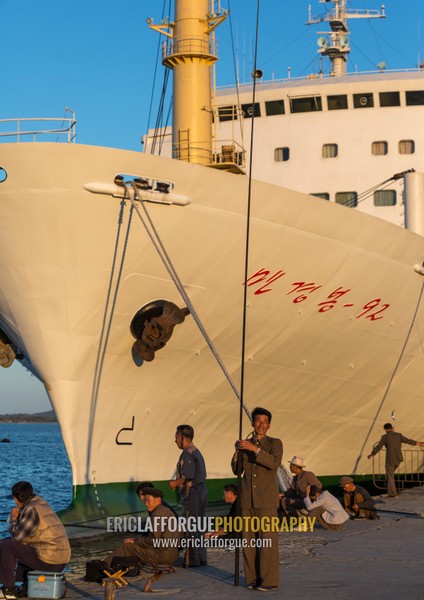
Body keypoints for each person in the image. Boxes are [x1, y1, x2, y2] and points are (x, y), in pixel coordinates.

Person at [231, 407, 283, 592]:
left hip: (266, 502)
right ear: (252, 422)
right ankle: (252, 578)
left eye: (264, 421)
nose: (261, 424)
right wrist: (237, 453)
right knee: (249, 542)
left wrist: (254, 448)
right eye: (257, 421)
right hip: (247, 501)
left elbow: (274, 463)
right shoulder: (244, 444)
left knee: (267, 542)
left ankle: (269, 580)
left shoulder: (275, 443)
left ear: (269, 425)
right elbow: (237, 471)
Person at [0, 481, 71, 600]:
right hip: (61, 560)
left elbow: (17, 537)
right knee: (19, 546)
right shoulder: (41, 502)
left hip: (49, 560)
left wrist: (13, 519)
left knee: (6, 545)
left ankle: (8, 589)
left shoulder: (31, 509)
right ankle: (20, 584)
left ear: (16, 499)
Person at [106, 488, 179, 568]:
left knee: (127, 546)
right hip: (173, 553)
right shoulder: (167, 511)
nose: (146, 503)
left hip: (163, 555)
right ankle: (114, 566)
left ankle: (103, 567)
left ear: (158, 499)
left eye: (149, 500)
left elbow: (153, 541)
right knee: (135, 543)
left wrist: (135, 541)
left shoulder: (157, 514)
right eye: (144, 500)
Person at [169, 424, 207, 568]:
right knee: (199, 527)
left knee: (190, 527)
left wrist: (174, 483)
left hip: (192, 493)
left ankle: (192, 560)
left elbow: (187, 476)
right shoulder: (196, 451)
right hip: (202, 490)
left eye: (176, 437)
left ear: (182, 437)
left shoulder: (187, 453)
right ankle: (202, 557)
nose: (175, 440)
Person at [367, 423, 424, 497]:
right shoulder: (398, 435)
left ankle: (392, 493)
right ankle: (387, 483)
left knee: (390, 476)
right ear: (392, 428)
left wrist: (372, 454)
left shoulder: (385, 437)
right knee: (390, 474)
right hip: (399, 458)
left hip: (390, 459)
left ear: (386, 429)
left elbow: (378, 447)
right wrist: (418, 443)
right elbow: (408, 441)